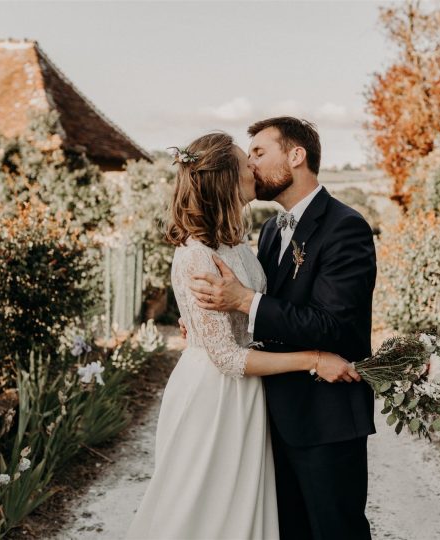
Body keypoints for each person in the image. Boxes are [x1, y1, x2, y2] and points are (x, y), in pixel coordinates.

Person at [125, 132, 360, 540]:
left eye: (258, 154)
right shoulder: (201, 253)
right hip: (216, 395)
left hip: (250, 396)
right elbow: (228, 357)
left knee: (244, 511)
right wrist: (312, 358)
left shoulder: (241, 241)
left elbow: (262, 309)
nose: (253, 165)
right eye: (245, 160)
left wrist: (225, 317)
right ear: (225, 179)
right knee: (206, 510)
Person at [186, 117, 377, 540]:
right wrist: (210, 322)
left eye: (258, 153)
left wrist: (242, 300)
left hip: (324, 416)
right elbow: (265, 314)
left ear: (296, 156)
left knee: (335, 531)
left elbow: (332, 325)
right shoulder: (271, 231)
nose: (249, 165)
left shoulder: (345, 227)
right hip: (267, 415)